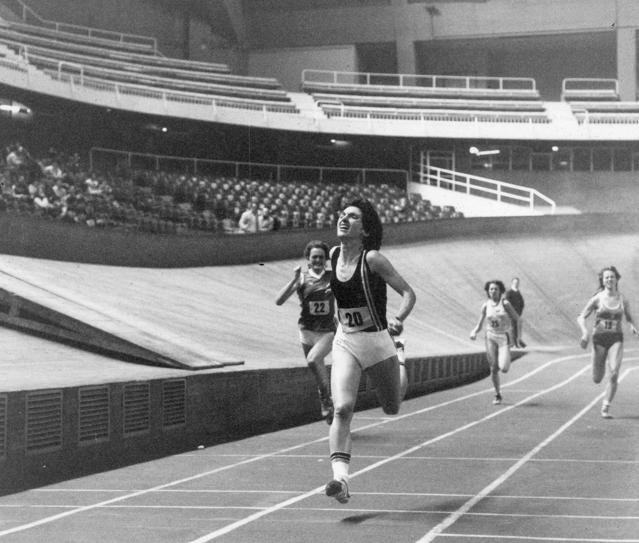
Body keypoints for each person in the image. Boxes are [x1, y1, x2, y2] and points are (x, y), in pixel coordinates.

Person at [324, 198, 416, 504]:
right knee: (342, 408)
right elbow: (340, 295)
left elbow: (408, 293)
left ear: (365, 230)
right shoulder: (334, 254)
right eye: (342, 214)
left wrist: (399, 318)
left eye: (352, 216)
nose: (344, 219)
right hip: (347, 340)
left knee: (392, 407)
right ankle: (341, 480)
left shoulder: (373, 259)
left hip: (377, 342)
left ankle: (400, 356)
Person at [275, 240, 336, 424]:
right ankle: (329, 402)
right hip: (307, 331)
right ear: (308, 260)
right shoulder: (301, 278)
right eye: (314, 257)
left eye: (321, 257)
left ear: (326, 260)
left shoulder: (333, 277)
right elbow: (279, 300)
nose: (318, 260)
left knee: (314, 359)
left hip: (327, 331)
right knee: (317, 370)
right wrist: (294, 281)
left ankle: (326, 401)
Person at [577, 266, 638, 419]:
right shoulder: (597, 298)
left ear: (617, 279)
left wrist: (632, 326)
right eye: (606, 277)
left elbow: (629, 318)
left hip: (615, 339)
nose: (610, 279)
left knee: (614, 373)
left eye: (612, 277)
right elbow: (581, 316)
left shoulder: (623, 299)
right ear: (603, 281)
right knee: (597, 378)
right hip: (599, 340)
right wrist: (585, 333)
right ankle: (602, 362)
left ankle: (605, 406)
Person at [470, 280, 519, 406]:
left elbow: (517, 319)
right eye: (491, 289)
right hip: (490, 336)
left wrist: (516, 337)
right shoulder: (486, 305)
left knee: (504, 368)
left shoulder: (505, 303)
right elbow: (480, 323)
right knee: (493, 368)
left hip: (503, 337)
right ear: (488, 291)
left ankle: (506, 353)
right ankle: (497, 394)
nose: (493, 291)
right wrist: (474, 332)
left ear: (500, 291)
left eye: (496, 289)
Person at [504, 277, 526, 347]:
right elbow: (506, 303)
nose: (516, 284)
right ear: (512, 283)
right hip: (511, 314)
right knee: (512, 328)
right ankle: (513, 343)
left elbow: (522, 303)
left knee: (517, 328)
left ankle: (516, 342)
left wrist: (519, 312)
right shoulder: (509, 292)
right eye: (515, 283)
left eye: (517, 283)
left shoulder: (518, 292)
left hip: (517, 313)